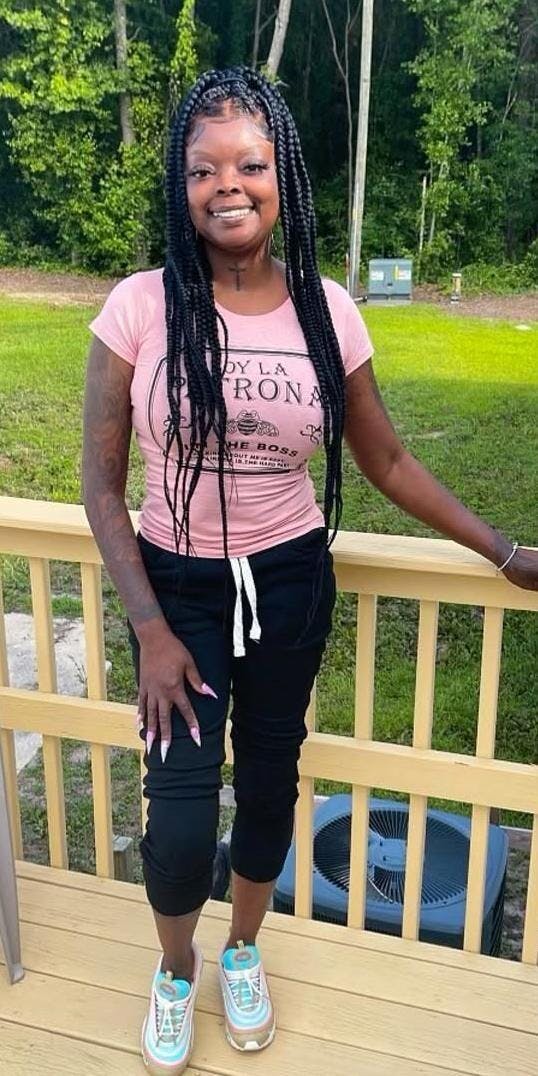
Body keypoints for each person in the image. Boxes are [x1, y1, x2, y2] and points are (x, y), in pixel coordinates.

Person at [82, 65, 538, 1076]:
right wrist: (149, 625)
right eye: (204, 169)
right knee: (180, 809)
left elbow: (387, 460)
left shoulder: (327, 310)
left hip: (288, 580)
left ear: (282, 173)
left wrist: (504, 552)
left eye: (249, 164)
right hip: (177, 588)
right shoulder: (138, 307)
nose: (227, 185)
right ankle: (175, 966)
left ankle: (241, 950)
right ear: (182, 185)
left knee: (269, 782)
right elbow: (100, 483)